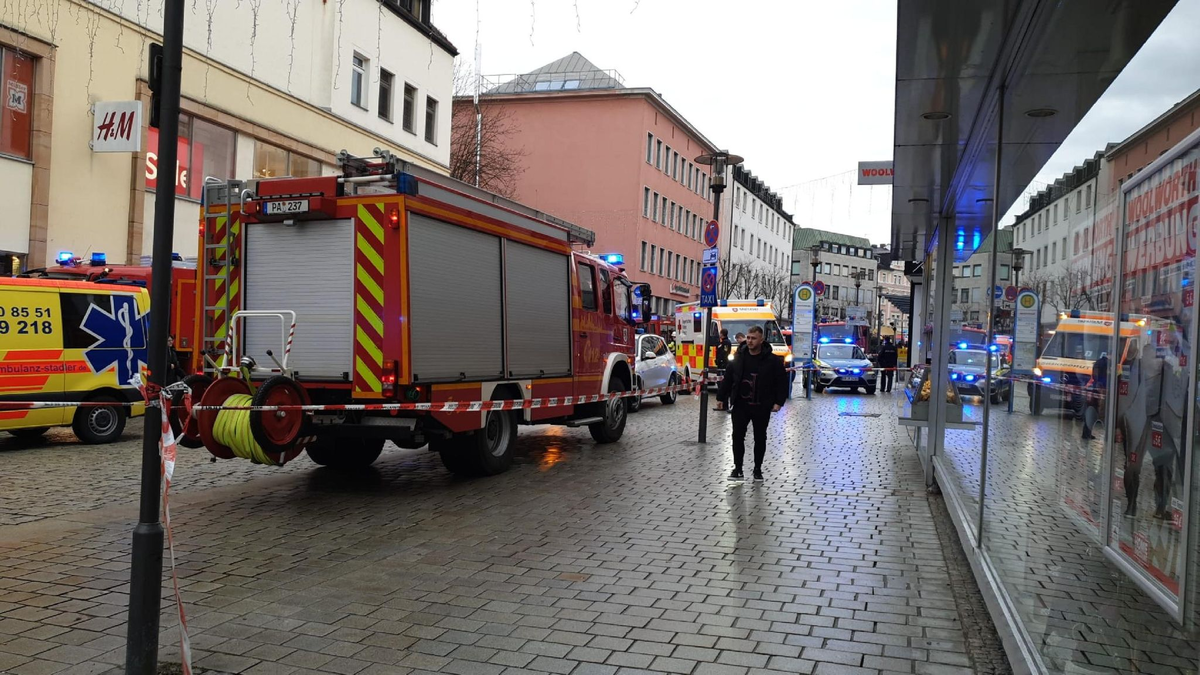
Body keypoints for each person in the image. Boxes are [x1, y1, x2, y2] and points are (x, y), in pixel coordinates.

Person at [715, 326, 788, 481]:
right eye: (748, 337)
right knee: (737, 437)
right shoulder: (739, 358)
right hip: (741, 405)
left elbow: (781, 382)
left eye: (753, 338)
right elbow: (728, 378)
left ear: (761, 340)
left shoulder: (773, 360)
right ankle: (738, 468)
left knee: (760, 438)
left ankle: (757, 469)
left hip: (762, 405)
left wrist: (778, 402)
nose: (749, 341)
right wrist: (721, 398)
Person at [1081, 351, 1108, 440]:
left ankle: (1087, 433)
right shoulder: (1105, 364)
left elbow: (1094, 375)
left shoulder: (1099, 362)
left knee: (1090, 412)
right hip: (1098, 390)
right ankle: (1087, 433)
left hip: (1094, 389)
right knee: (1093, 412)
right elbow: (1102, 377)